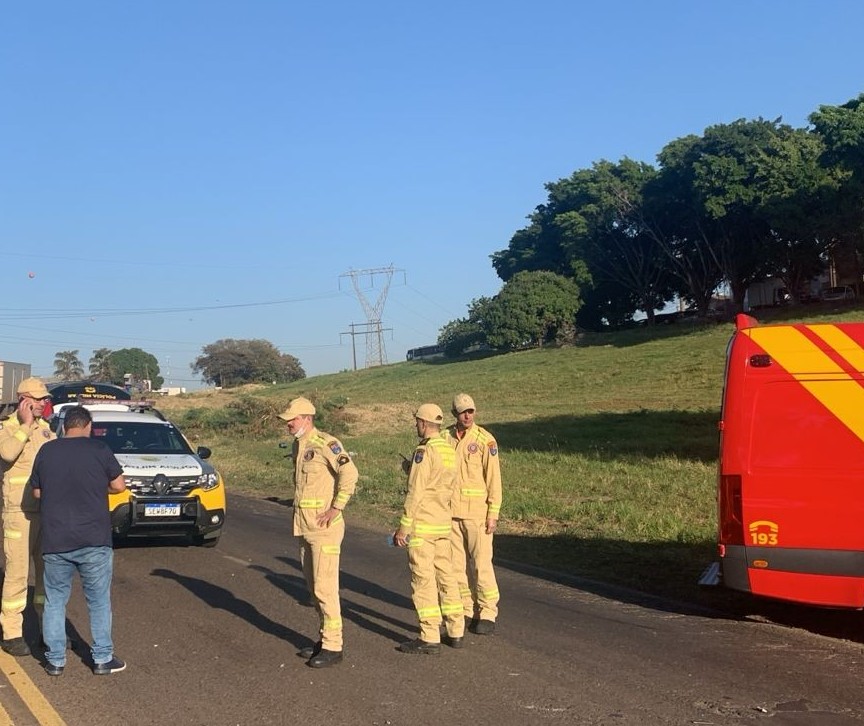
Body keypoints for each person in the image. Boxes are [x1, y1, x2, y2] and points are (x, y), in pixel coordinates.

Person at [29, 405, 127, 676]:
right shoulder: (99, 450)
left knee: (55, 600)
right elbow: (119, 486)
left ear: (64, 427)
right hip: (94, 538)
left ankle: (56, 660)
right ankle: (102, 658)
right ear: (88, 426)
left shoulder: (47, 451)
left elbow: (37, 493)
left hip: (56, 539)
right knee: (97, 600)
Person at [279, 396, 358, 669]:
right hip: (305, 527)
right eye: (287, 420)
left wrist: (336, 508)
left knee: (325, 589)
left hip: (325, 530)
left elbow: (350, 474)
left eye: (293, 419)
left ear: (307, 418)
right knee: (313, 590)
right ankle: (324, 639)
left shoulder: (327, 443)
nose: (288, 424)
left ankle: (334, 646)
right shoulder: (298, 445)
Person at [392, 403, 464, 655]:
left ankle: (429, 636)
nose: (416, 426)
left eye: (416, 422)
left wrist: (403, 527)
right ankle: (456, 630)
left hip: (422, 525)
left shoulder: (423, 451)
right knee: (448, 576)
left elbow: (416, 491)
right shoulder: (448, 448)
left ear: (423, 423)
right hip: (443, 523)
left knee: (423, 580)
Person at [0, 377, 55, 656]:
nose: (44, 403)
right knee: (17, 574)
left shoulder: (47, 431)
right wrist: (23, 425)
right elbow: (7, 453)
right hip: (18, 513)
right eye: (39, 399)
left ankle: (49, 631)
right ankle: (11, 633)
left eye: (45, 399)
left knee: (46, 575)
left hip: (45, 512)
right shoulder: (7, 428)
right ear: (24, 400)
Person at [445, 393, 502, 635]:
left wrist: (493, 512)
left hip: (477, 514)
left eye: (471, 411)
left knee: (481, 564)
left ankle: (488, 611)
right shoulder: (443, 438)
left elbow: (494, 479)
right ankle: (466, 607)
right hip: (450, 513)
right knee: (456, 566)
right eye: (462, 412)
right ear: (455, 414)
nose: (467, 416)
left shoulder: (485, 440)